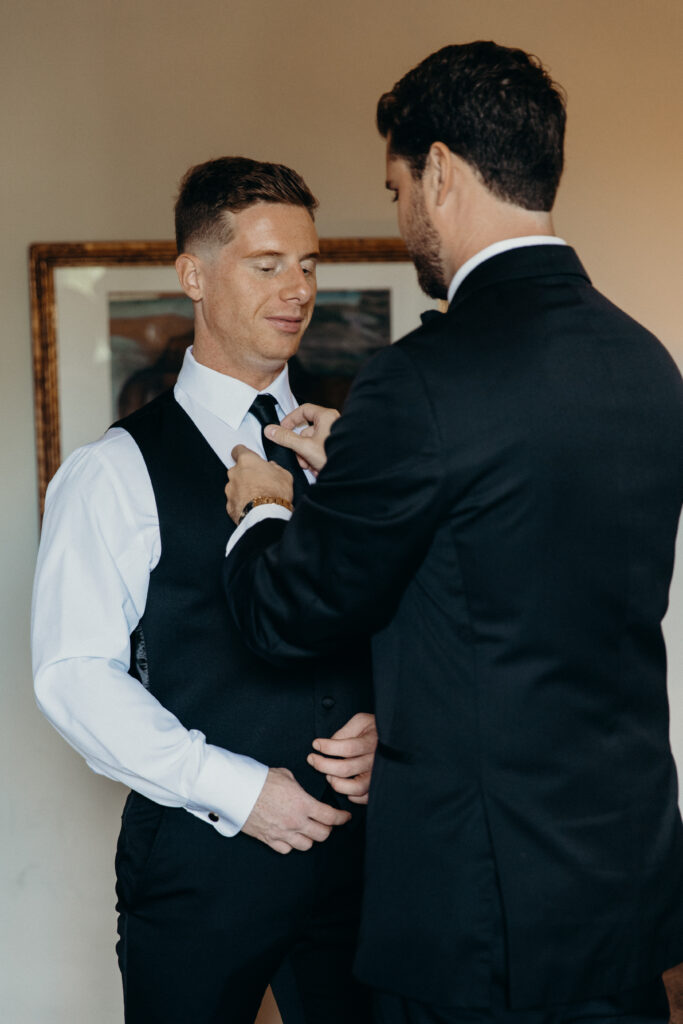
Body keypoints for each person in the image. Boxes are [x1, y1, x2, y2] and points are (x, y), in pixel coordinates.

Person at [222, 42, 683, 1024]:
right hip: (623, 888)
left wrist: (262, 504)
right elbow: (520, 555)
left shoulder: (424, 379)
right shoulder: (646, 365)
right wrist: (367, 468)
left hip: (480, 915)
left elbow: (291, 612)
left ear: (438, 171)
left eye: (394, 191)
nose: (398, 219)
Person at [31, 156, 375, 1024]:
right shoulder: (112, 470)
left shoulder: (359, 451)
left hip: (364, 864)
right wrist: (238, 789)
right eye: (266, 265)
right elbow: (74, 673)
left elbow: (404, 621)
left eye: (307, 264)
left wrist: (389, 723)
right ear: (193, 273)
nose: (296, 289)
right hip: (198, 867)